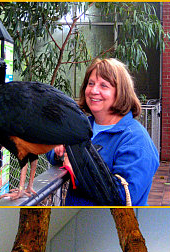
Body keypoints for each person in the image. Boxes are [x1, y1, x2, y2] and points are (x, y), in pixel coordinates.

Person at [50, 58, 159, 206]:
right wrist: (60, 153)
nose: (94, 91)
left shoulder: (136, 140)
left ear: (121, 92)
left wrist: (79, 167)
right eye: (91, 83)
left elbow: (121, 197)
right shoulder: (81, 127)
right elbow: (51, 148)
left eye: (104, 85)